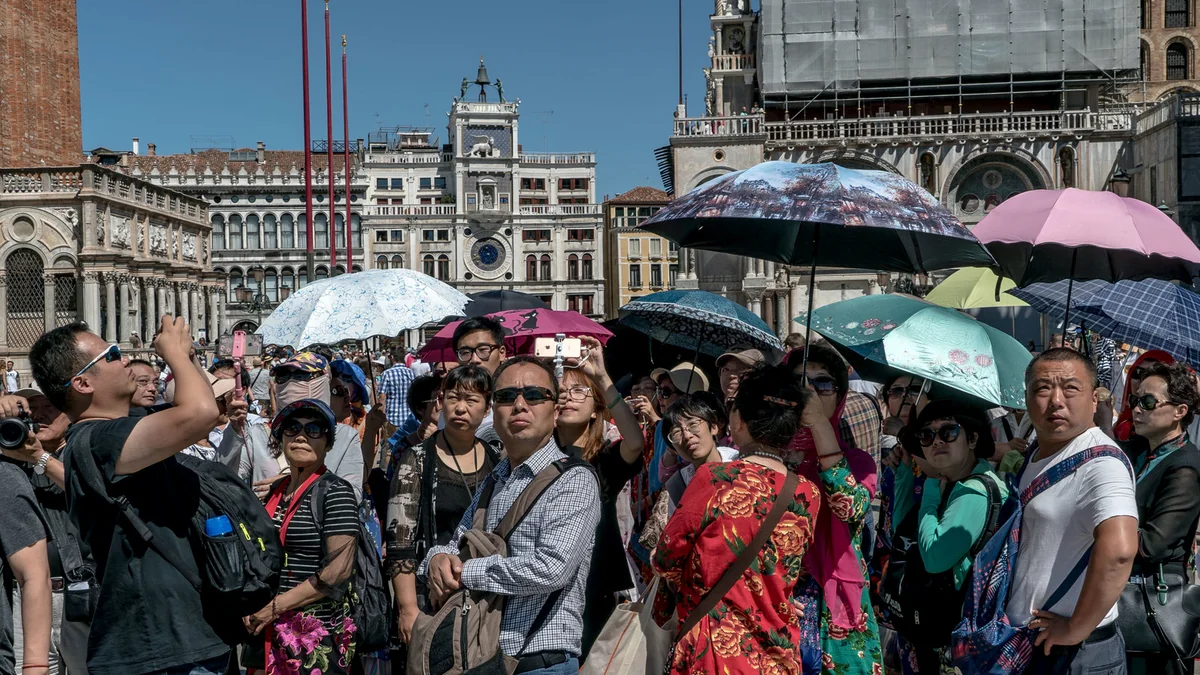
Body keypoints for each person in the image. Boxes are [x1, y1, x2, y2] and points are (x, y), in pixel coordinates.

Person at [30, 318, 230, 675]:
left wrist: (187, 357)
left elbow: (200, 407)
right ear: (83, 383)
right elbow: (201, 414)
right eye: (113, 355)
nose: (125, 361)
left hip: (184, 639)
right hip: (160, 648)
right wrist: (173, 355)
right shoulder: (97, 440)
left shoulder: (115, 432)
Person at [420, 356, 601, 674]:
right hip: (484, 658)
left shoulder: (574, 478)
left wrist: (465, 573)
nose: (520, 405)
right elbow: (458, 543)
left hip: (538, 660)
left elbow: (551, 569)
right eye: (506, 397)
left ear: (555, 411)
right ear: (493, 410)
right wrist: (436, 560)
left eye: (534, 395)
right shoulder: (496, 478)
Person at [652, 365, 820, 675]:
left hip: (716, 651)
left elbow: (666, 557)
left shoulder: (715, 479)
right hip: (779, 652)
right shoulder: (807, 493)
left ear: (738, 421)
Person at [1009, 348, 1138, 674]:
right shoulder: (1039, 450)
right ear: (1026, 398)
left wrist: (1076, 628)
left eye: (1070, 388)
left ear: (1095, 399)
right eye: (1042, 388)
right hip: (1030, 644)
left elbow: (1120, 551)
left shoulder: (1102, 464)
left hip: (1076, 653)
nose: (1055, 400)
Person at [888, 400, 1009, 673]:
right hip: (934, 626)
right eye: (926, 435)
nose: (936, 442)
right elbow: (906, 536)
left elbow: (934, 557)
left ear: (973, 438)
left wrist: (930, 492)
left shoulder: (973, 491)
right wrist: (906, 472)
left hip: (951, 638)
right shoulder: (955, 483)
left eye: (949, 432)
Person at [784, 344, 883, 675]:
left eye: (822, 383)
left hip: (835, 609)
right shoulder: (764, 458)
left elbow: (847, 506)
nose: (809, 390)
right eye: (799, 380)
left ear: (839, 395)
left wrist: (816, 423)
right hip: (776, 603)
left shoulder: (858, 462)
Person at [243, 399, 361, 675]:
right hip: (268, 631)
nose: (301, 436)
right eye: (292, 428)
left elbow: (337, 572)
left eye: (314, 430)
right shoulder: (276, 490)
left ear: (328, 442)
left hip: (313, 638)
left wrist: (274, 607)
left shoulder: (336, 491)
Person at [385, 365, 500, 645]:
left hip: (483, 597)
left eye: (471, 400)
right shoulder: (417, 459)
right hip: (430, 596)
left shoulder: (496, 459)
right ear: (441, 402)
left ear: (486, 409)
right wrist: (408, 608)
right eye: (453, 398)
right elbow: (400, 541)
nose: (461, 408)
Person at [553, 336, 645, 656]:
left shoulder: (602, 462)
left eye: (579, 391)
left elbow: (634, 442)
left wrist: (602, 378)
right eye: (560, 391)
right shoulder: (536, 459)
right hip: (548, 588)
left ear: (596, 410)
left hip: (596, 585)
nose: (568, 397)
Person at [0, 388, 91, 675]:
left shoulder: (84, 448)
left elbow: (91, 493)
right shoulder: (9, 458)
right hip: (23, 594)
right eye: (30, 410)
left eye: (49, 406)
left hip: (80, 592)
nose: (40, 416)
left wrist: (39, 457)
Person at [1121, 361, 1200, 675]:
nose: (1137, 408)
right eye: (1134, 400)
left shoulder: (1186, 466)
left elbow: (1153, 544)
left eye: (1148, 402)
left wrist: (1100, 528)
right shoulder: (1135, 450)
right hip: (1117, 596)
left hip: (1151, 601)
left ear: (1179, 411)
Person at [638, 392, 738, 552]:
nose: (687, 435)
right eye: (676, 432)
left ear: (713, 426)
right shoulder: (678, 484)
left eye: (693, 425)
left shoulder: (741, 465)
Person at [273, 353, 365, 500]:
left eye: (303, 375)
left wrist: (287, 486)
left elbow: (353, 495)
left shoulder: (345, 436)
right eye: (283, 375)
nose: (292, 382)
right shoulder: (256, 432)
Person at [1114, 350, 1175, 443]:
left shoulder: (1158, 428)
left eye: (1149, 374)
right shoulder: (1126, 417)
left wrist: (1105, 426)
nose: (1141, 380)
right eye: (1137, 373)